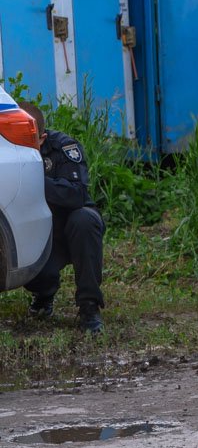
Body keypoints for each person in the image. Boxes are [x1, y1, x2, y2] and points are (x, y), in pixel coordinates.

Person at [19, 102, 106, 334]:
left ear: (42, 138)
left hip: (70, 225)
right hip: (38, 229)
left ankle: (89, 306)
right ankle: (44, 294)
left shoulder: (64, 147)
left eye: (28, 142)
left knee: (84, 220)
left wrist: (33, 180)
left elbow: (76, 195)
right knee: (36, 271)